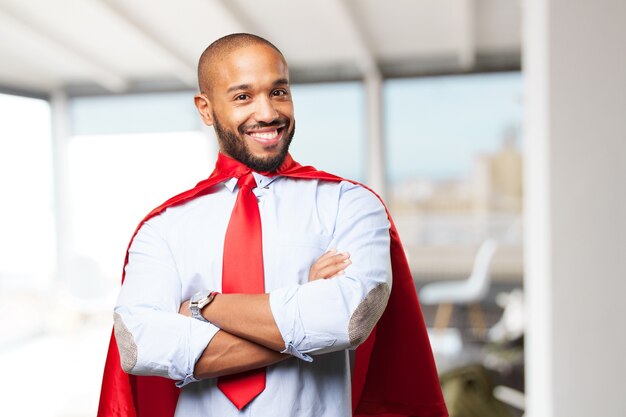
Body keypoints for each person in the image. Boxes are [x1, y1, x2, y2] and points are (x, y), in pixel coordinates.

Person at [98, 33, 447, 417]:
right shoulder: (163, 226)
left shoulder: (350, 203)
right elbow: (138, 344)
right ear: (206, 108)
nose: (267, 114)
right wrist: (305, 320)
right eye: (243, 97)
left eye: (278, 92)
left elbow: (350, 318)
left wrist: (202, 307)